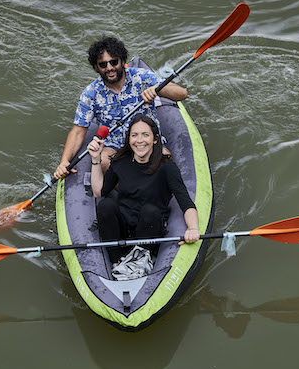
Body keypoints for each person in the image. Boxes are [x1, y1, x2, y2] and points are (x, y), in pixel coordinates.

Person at [53, 36, 188, 179]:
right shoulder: (90, 94)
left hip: (146, 140)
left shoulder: (142, 77)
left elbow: (182, 94)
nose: (110, 68)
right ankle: (128, 193)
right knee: (104, 161)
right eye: (103, 64)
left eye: (113, 62)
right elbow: (78, 131)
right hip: (115, 146)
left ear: (122, 61)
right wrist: (64, 162)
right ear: (96, 67)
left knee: (165, 159)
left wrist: (157, 89)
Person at [87, 114, 200, 264]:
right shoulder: (120, 162)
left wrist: (193, 229)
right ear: (129, 139)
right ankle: (116, 260)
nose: (139, 140)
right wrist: (95, 159)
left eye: (145, 135)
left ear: (155, 139)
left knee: (149, 211)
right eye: (134, 135)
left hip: (150, 228)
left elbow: (186, 203)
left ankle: (140, 260)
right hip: (123, 227)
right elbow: (99, 192)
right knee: (105, 205)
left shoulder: (167, 167)